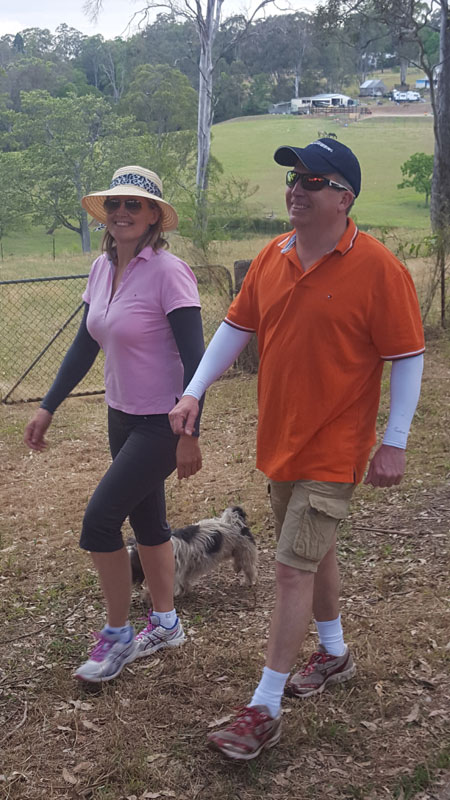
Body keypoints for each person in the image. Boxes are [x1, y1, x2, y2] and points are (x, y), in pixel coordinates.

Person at [168, 139, 425, 759]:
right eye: (292, 178)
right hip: (280, 441)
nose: (296, 188)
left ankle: (264, 706)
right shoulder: (272, 256)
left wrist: (393, 442)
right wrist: (194, 391)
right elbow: (236, 326)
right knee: (311, 553)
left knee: (289, 568)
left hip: (336, 446)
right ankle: (334, 653)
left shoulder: (378, 268)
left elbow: (408, 356)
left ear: (345, 197)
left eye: (312, 179)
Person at [24, 165, 204, 683]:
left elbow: (198, 359)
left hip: (162, 422)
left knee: (100, 522)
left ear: (154, 217)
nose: (122, 212)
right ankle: (166, 622)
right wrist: (48, 404)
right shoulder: (103, 269)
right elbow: (86, 341)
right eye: (115, 204)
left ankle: (119, 635)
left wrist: (190, 435)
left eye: (135, 205)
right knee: (148, 522)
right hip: (120, 414)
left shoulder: (170, 272)